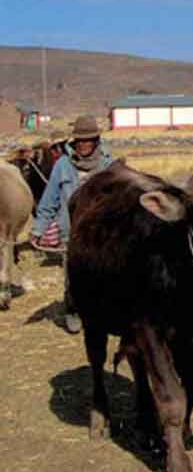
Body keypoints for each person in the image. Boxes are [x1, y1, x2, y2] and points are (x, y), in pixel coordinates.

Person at [30, 115, 114, 333]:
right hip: (73, 232)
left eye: (89, 140)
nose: (84, 144)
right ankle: (73, 310)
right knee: (74, 275)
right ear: (73, 142)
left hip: (102, 233)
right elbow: (49, 201)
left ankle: (99, 311)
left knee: (102, 274)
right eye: (79, 140)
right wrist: (38, 229)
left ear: (96, 140)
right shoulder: (63, 166)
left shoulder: (108, 164)